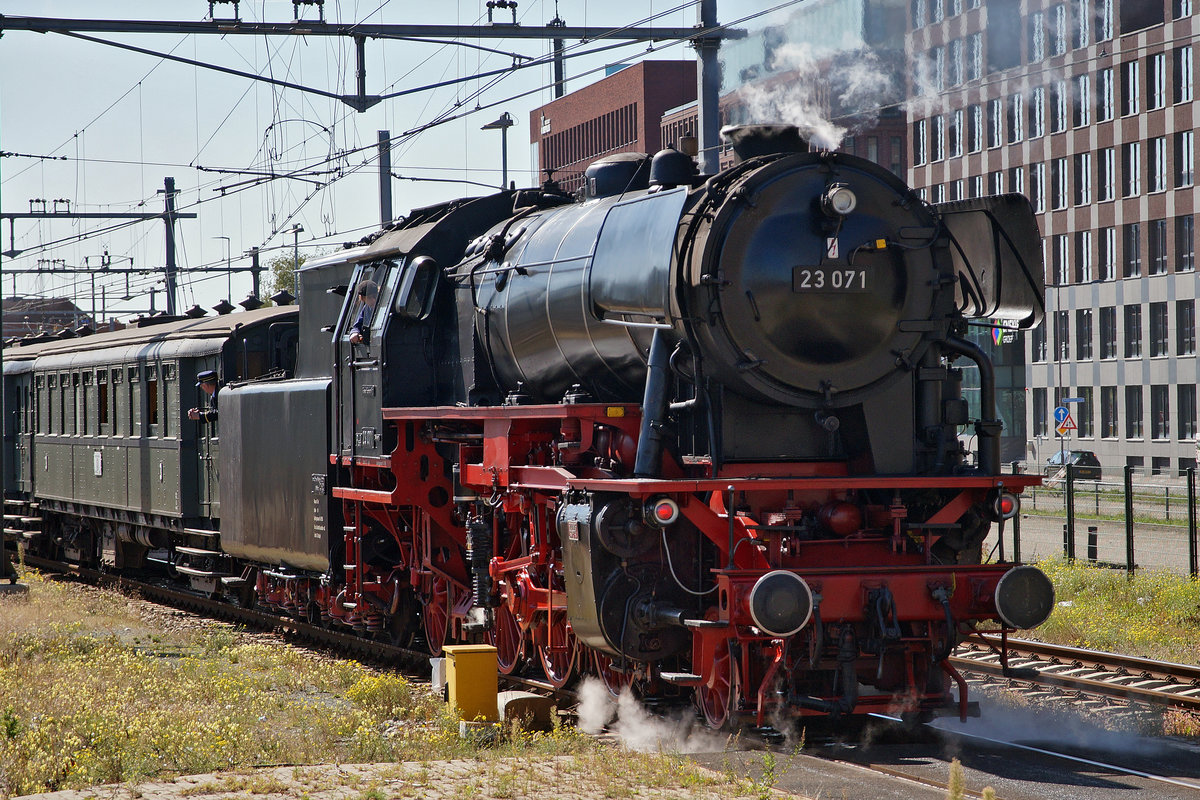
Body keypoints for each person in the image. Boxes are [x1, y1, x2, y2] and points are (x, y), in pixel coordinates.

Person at [348, 279, 378, 344]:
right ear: (362, 299)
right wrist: (354, 333)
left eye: (375, 296)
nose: (373, 300)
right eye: (369, 298)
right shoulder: (366, 309)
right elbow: (357, 325)